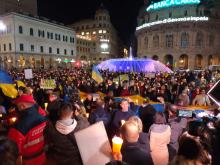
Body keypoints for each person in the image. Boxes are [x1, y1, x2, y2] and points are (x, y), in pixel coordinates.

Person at [8, 94, 47, 165]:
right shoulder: (43, 118)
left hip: (27, 161)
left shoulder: (18, 126)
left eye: (18, 106)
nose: (17, 108)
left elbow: (13, 149)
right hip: (42, 157)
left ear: (23, 106)